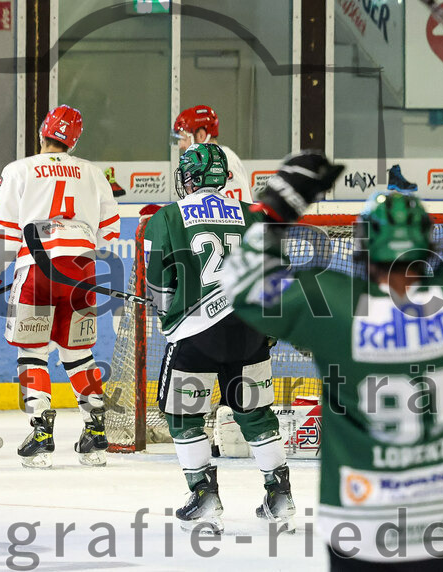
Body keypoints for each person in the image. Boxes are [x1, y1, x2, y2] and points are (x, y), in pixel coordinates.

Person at [219, 104, 443, 569]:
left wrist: (277, 206)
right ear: (433, 247)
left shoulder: (329, 305)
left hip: (361, 529)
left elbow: (242, 282)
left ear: (360, 248)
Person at [143, 143, 295, 533]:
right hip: (250, 331)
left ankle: (204, 497)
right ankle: (280, 498)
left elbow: (159, 290)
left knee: (182, 415)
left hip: (195, 336)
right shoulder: (254, 215)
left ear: (190, 177)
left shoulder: (167, 217)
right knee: (255, 413)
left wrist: (165, 306)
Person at [0, 104, 120, 468]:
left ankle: (41, 431)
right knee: (77, 354)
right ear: (74, 141)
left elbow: (6, 233)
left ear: (41, 133)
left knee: (32, 352)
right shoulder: (94, 174)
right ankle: (96, 430)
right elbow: (110, 232)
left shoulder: (19, 170)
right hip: (82, 272)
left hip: (36, 270)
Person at [172, 105, 251, 201]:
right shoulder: (221, 157)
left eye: (183, 139)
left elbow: (235, 209)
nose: (181, 145)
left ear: (201, 136)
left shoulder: (221, 161)